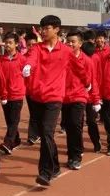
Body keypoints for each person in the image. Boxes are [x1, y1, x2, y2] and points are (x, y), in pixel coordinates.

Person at [22, 15, 84, 187]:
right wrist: (27, 66)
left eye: (47, 27)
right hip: (37, 96)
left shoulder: (65, 51)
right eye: (42, 28)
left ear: (57, 29)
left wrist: (87, 83)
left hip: (55, 97)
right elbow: (31, 59)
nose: (43, 31)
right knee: (44, 134)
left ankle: (45, 172)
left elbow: (79, 68)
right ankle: (55, 165)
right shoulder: (37, 48)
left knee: (47, 133)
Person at [62, 31, 93, 170]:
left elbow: (90, 80)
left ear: (80, 44)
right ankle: (74, 151)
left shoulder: (86, 60)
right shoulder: (63, 58)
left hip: (79, 96)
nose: (70, 44)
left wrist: (95, 97)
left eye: (73, 41)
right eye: (68, 41)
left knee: (75, 124)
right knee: (70, 126)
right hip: (64, 96)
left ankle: (75, 157)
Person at [0, 31, 26, 155]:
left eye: (10, 43)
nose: (7, 45)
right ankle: (16, 139)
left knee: (14, 120)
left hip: (17, 94)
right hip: (4, 94)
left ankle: (8, 143)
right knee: (9, 120)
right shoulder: (0, 60)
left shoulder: (22, 59)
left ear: (16, 44)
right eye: (6, 42)